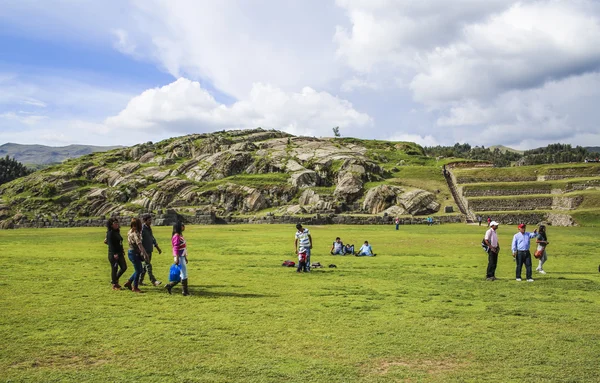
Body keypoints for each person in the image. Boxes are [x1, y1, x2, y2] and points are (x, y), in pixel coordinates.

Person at [123, 218, 149, 293]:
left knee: (139, 269)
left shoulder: (130, 232)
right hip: (134, 253)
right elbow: (139, 245)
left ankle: (129, 282)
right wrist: (145, 254)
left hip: (131, 252)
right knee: (138, 270)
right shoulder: (135, 233)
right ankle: (135, 287)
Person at [165, 221, 190, 296]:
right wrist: (177, 257)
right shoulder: (176, 236)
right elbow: (176, 248)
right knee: (184, 274)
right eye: (182, 226)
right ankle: (184, 292)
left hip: (182, 256)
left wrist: (185, 257)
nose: (184, 227)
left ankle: (169, 286)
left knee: (182, 274)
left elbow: (183, 247)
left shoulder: (180, 235)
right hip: (179, 257)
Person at [140, 214, 162, 286]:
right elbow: (139, 240)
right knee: (148, 265)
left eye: (151, 220)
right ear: (144, 221)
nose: (150, 222)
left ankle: (140, 281)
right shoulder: (142, 229)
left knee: (145, 267)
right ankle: (153, 281)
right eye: (149, 220)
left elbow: (152, 238)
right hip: (144, 251)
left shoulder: (149, 228)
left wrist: (157, 247)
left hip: (149, 250)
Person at [106, 217, 127, 290]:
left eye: (117, 223)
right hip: (113, 254)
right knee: (114, 268)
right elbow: (110, 243)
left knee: (124, 267)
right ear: (111, 225)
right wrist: (114, 253)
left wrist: (122, 249)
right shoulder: (110, 233)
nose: (117, 224)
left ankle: (114, 280)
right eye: (115, 223)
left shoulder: (117, 232)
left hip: (120, 253)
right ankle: (115, 284)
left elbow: (119, 242)